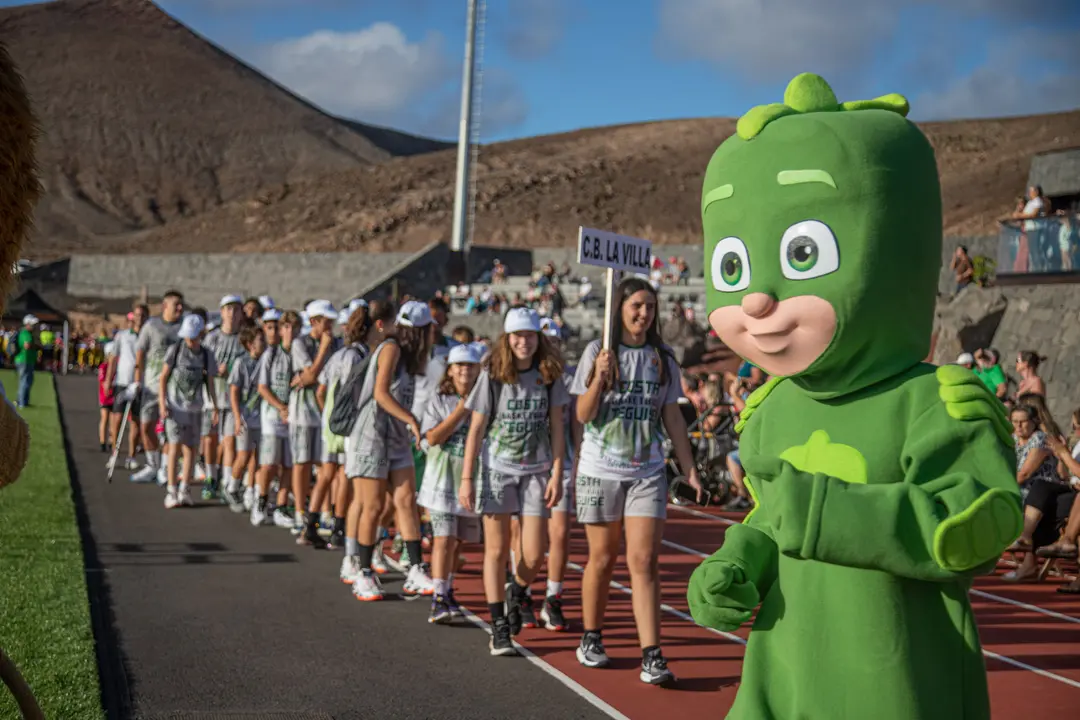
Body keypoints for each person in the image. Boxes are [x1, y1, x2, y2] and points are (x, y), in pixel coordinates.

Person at [688, 73, 1020, 719]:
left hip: (897, 686)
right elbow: (771, 519)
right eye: (732, 267)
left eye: (803, 254)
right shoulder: (771, 409)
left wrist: (835, 518)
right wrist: (736, 562)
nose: (755, 300)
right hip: (781, 679)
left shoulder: (939, 403)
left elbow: (976, 527)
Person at [572, 277, 701, 684]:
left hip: (646, 472)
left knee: (644, 561)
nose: (643, 313)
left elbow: (673, 418)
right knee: (603, 559)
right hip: (600, 469)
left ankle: (652, 654)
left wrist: (689, 468)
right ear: (620, 307)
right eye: (636, 305)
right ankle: (591, 637)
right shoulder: (597, 351)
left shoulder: (662, 356)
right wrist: (598, 377)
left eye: (649, 306)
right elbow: (583, 414)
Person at [459, 307, 568, 656]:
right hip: (497, 469)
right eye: (518, 335)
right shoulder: (493, 374)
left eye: (531, 335)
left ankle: (517, 591)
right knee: (495, 550)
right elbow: (476, 428)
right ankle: (499, 626)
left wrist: (557, 471)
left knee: (534, 553)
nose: (524, 341)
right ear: (507, 338)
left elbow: (557, 426)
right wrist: (467, 477)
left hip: (536, 471)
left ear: (539, 338)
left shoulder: (549, 374)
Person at [342, 300, 434, 601]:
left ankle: (417, 567)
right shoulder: (391, 348)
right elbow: (380, 393)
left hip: (395, 437)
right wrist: (410, 419)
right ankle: (363, 571)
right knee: (373, 506)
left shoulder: (411, 357)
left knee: (407, 500)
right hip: (371, 435)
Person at [417, 341, 484, 623]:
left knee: (457, 543)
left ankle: (448, 588)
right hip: (441, 481)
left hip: (469, 482)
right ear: (450, 371)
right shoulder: (439, 400)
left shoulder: (487, 401)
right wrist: (462, 410)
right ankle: (439, 595)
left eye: (470, 365)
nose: (464, 371)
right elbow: (431, 438)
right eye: (459, 366)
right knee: (442, 540)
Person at [315, 305, 371, 550]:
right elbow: (353, 394)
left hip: (331, 422)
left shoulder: (339, 354)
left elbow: (320, 391)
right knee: (345, 477)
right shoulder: (356, 356)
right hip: (349, 425)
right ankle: (339, 526)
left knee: (330, 474)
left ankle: (312, 522)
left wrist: (326, 414)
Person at [288, 300, 339, 544]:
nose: (330, 327)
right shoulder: (301, 343)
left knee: (325, 466)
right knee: (302, 463)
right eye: (325, 322)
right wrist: (323, 349)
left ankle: (324, 513)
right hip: (303, 414)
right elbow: (310, 376)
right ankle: (300, 511)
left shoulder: (336, 343)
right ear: (313, 322)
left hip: (326, 415)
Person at [159, 313, 216, 509]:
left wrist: (214, 405)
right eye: (188, 336)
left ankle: (185, 489)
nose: (190, 340)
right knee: (175, 446)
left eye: (194, 336)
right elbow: (163, 378)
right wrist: (162, 403)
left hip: (195, 408)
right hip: (175, 406)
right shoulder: (176, 350)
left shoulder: (207, 355)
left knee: (191, 448)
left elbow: (210, 382)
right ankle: (171, 490)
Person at [129, 291, 185, 484]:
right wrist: (137, 380)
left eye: (181, 305)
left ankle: (164, 467)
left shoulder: (183, 328)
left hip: (175, 389)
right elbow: (140, 352)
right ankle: (152, 464)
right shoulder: (151, 326)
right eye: (176, 305)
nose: (180, 308)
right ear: (165, 306)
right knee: (146, 427)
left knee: (171, 431)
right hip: (152, 386)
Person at [203, 295, 247, 501]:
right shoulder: (212, 338)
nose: (232, 314)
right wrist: (214, 370)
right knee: (210, 441)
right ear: (221, 312)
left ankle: (227, 483)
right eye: (228, 309)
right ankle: (211, 477)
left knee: (229, 442)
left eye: (236, 310)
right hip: (211, 399)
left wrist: (231, 371)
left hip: (232, 400)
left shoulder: (243, 339)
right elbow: (201, 366)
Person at [253, 308, 292, 527]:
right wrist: (280, 407)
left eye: (280, 327)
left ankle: (281, 506)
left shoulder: (295, 353)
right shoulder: (270, 355)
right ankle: (261, 501)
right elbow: (262, 387)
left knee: (288, 465)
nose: (276, 331)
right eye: (272, 327)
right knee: (268, 464)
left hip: (291, 419)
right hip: (271, 419)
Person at [225, 325, 265, 513]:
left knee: (256, 456)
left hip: (261, 416)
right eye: (259, 340)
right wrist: (237, 417)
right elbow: (234, 392)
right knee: (244, 454)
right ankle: (232, 487)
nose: (263, 343)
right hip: (245, 415)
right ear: (250, 344)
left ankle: (250, 489)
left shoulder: (266, 361)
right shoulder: (242, 363)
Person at [12, 314, 37, 408]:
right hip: (24, 360)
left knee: (27, 380)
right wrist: (36, 346)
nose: (34, 327)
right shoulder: (25, 333)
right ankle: (21, 402)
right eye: (32, 324)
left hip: (28, 360)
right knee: (24, 381)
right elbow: (27, 345)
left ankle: (24, 401)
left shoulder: (28, 333)